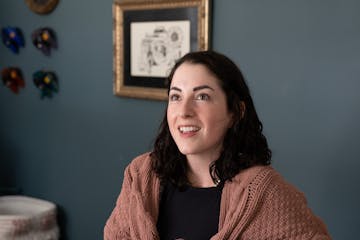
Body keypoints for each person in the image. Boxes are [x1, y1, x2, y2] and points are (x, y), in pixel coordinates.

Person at [104, 51, 331, 240]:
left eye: (202, 96)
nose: (184, 111)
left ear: (235, 112)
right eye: (176, 97)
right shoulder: (141, 174)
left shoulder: (265, 192)